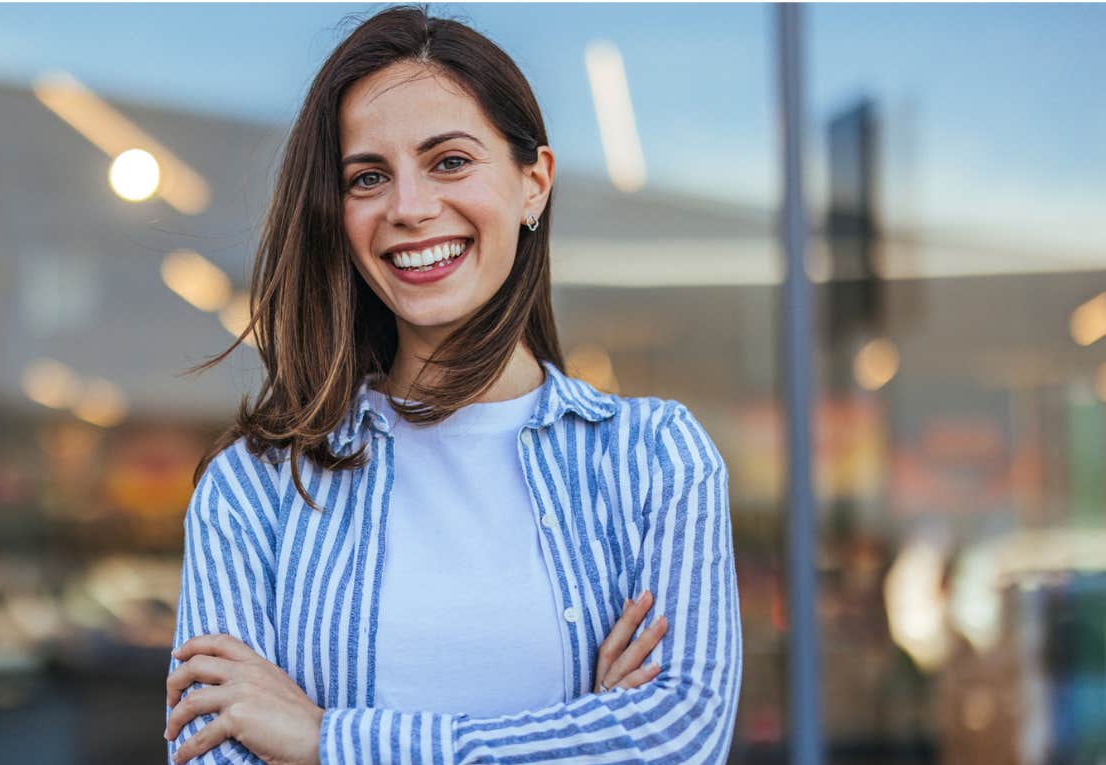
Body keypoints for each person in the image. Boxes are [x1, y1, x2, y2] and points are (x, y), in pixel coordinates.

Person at [162, 5, 741, 763]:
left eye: (450, 161)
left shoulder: (656, 461)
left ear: (534, 183)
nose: (409, 207)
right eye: (368, 177)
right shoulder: (255, 491)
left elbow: (677, 737)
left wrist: (325, 738)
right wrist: (584, 730)